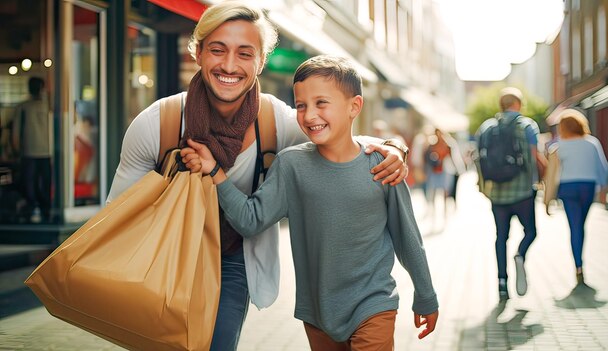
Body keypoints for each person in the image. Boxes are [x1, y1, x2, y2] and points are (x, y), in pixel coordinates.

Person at [106, 2, 409, 350]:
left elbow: (340, 139)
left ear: (260, 61)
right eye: (217, 50)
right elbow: (118, 213)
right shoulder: (158, 123)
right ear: (198, 52)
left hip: (231, 261)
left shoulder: (276, 122)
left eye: (245, 53)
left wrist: (393, 145)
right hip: (163, 256)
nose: (230, 65)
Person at [182, 55, 439, 350]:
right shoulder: (291, 166)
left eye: (321, 103)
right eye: (301, 105)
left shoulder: (382, 165)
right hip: (318, 312)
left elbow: (407, 237)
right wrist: (215, 172)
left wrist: (426, 294)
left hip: (374, 304)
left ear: (354, 106)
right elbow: (250, 221)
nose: (309, 115)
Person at [475, 87, 546, 300]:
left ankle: (502, 282)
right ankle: (520, 255)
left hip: (497, 193)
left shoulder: (486, 128)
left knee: (500, 237)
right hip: (523, 190)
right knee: (531, 231)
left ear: (501, 105)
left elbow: (478, 158)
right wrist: (548, 179)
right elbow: (535, 157)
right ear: (519, 104)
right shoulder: (527, 126)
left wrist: (483, 187)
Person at [545, 108, 608, 286]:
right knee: (581, 225)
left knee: (575, 226)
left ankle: (578, 266)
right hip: (588, 187)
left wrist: (547, 200)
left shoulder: (557, 147)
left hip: (567, 188)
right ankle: (580, 264)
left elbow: (551, 177)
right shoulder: (592, 143)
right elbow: (603, 168)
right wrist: (603, 188)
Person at [12, 77, 52, 223]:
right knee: (44, 182)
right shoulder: (49, 106)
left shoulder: (23, 107)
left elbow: (16, 133)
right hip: (46, 151)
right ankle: (44, 210)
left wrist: (16, 150)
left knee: (30, 182)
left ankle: (34, 208)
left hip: (30, 151)